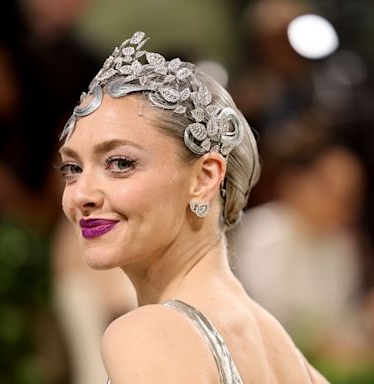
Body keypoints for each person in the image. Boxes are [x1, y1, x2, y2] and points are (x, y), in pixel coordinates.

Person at [57, 31, 330, 383]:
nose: (81, 194)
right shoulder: (286, 353)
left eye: (120, 163)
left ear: (204, 178)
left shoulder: (150, 334)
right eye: (72, 169)